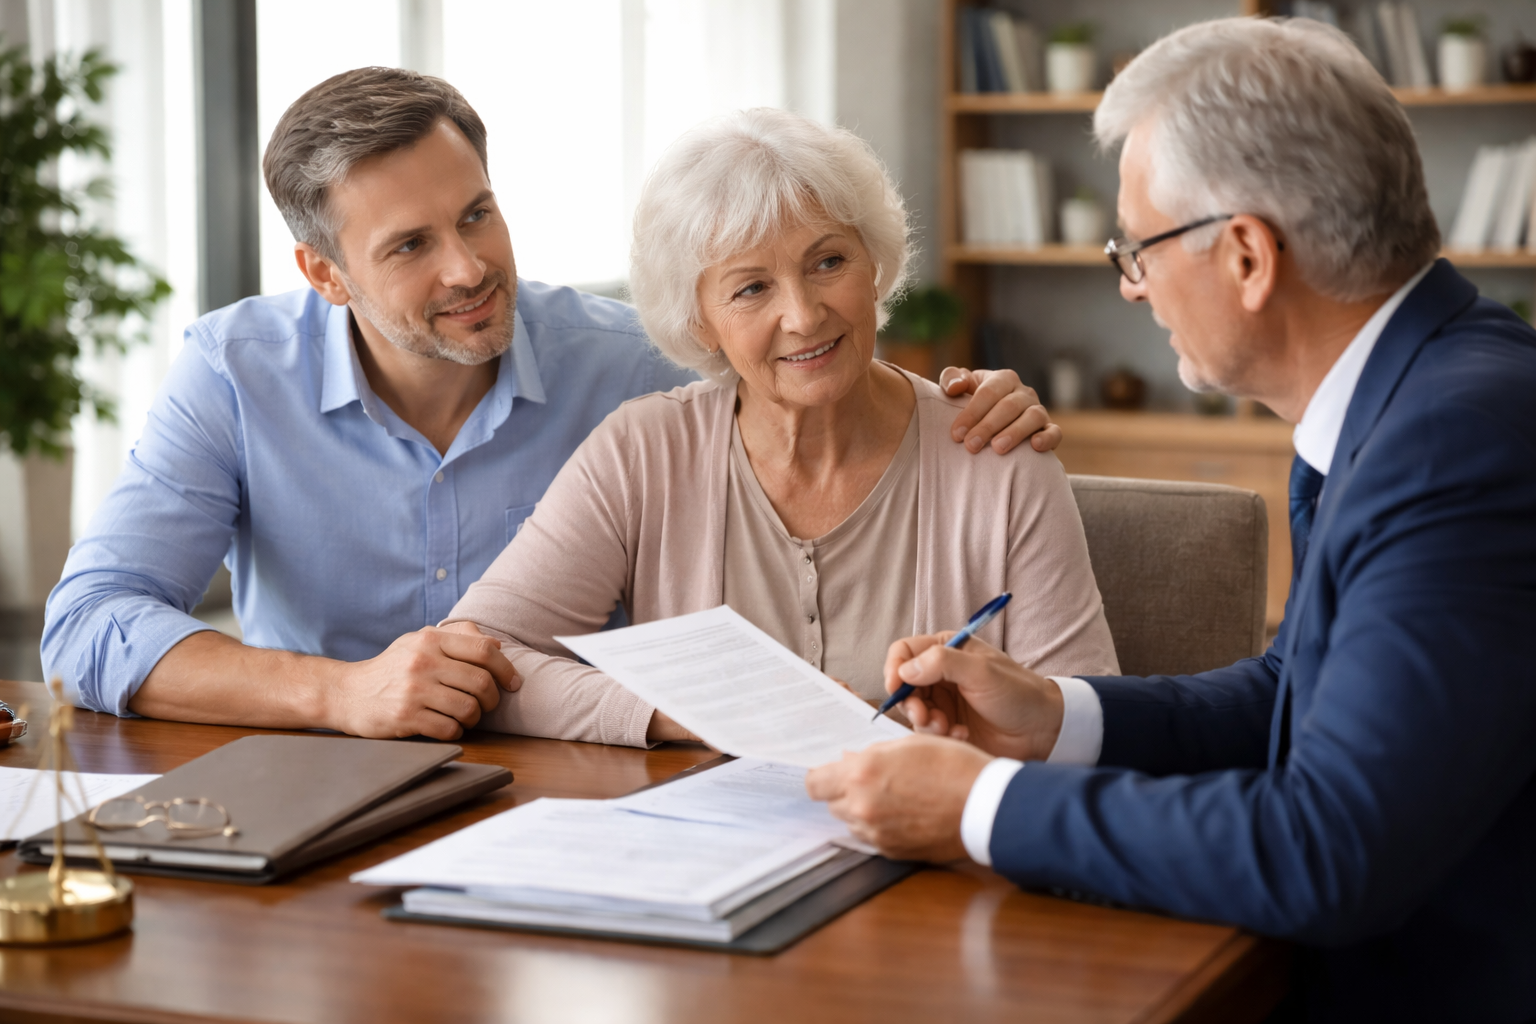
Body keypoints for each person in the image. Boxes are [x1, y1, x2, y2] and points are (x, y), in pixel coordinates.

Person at [805, 18, 1536, 1023]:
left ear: (1247, 256)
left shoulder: (1453, 446)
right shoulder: (1415, 392)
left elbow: (1329, 850)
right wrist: (1056, 716)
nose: (1128, 283)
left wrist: (975, 805)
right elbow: (1298, 691)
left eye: (1137, 247)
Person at [40, 68, 1058, 741]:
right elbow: (87, 624)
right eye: (411, 245)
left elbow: (796, 362)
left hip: (562, 779)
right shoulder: (233, 372)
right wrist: (339, 691)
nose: (469, 267)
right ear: (325, 273)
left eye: (477, 213)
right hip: (323, 763)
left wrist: (972, 403)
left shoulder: (636, 364)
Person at [439, 108, 1120, 746]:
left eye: (828, 262)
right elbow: (472, 657)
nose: (803, 315)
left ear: (874, 263)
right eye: (751, 288)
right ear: (701, 321)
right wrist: (682, 713)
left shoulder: (998, 453)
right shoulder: (642, 451)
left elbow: (1092, 724)